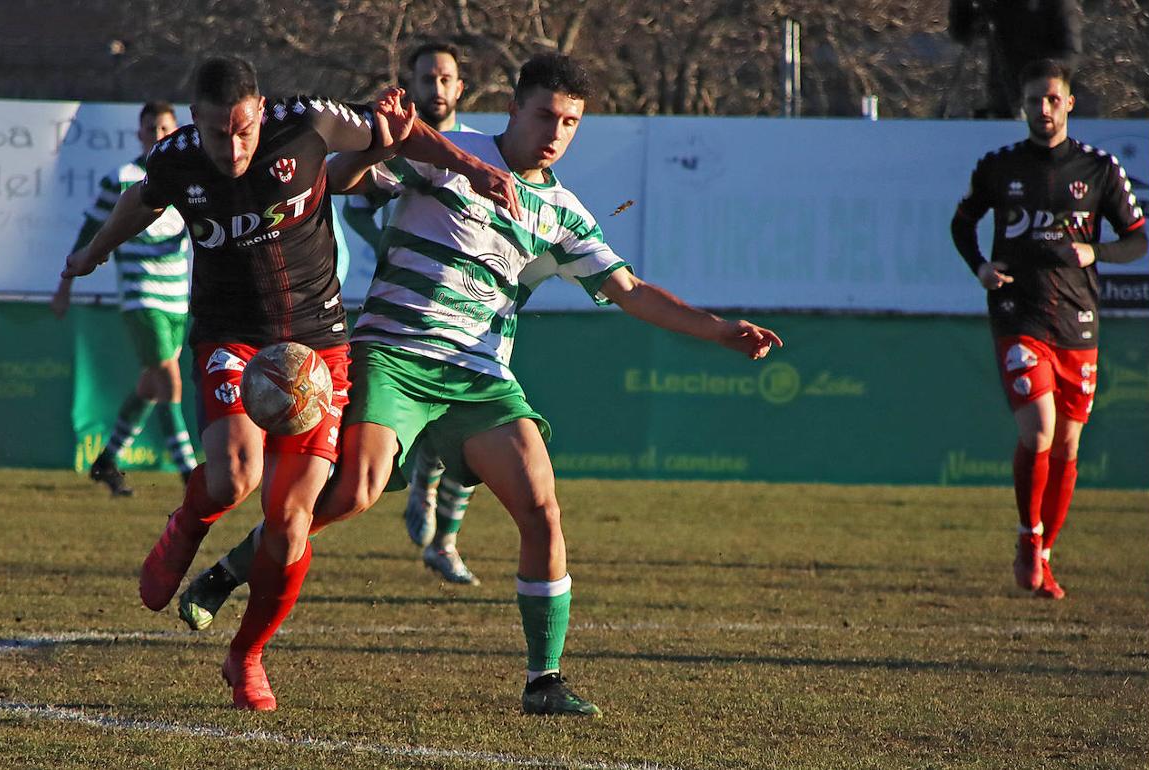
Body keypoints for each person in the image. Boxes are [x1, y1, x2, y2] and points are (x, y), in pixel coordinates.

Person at [180, 53, 783, 717]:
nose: (556, 131)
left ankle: (543, 681)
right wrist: (378, 142)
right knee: (353, 492)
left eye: (571, 122)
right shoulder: (449, 152)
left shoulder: (564, 215)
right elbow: (347, 180)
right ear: (514, 108)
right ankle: (234, 568)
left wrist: (720, 329)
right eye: (546, 115)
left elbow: (632, 293)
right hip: (393, 354)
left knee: (540, 505)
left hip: (478, 375)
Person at [60, 55, 517, 712]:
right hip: (231, 332)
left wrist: (475, 168)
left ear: (261, 110)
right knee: (233, 477)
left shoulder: (305, 122)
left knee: (291, 520)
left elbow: (400, 133)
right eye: (220, 133)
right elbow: (142, 199)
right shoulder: (179, 157)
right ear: (197, 123)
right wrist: (95, 250)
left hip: (317, 341)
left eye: (244, 128)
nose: (235, 145)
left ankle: (246, 655)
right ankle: (188, 523)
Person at [950, 58, 1147, 599]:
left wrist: (1095, 249)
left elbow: (1137, 239)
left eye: (1052, 100)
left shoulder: (1099, 169)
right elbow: (963, 223)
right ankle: (1027, 534)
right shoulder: (998, 167)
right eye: (1034, 99)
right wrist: (981, 268)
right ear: (1023, 104)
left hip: (1077, 320)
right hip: (1019, 313)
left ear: (1069, 104)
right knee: (1037, 429)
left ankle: (1045, 552)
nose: (1043, 109)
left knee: (1067, 444)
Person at [342, 41, 485, 584]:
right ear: (414, 83)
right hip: (404, 311)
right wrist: (386, 242)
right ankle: (424, 494)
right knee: (417, 434)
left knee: (470, 443)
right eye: (428, 78)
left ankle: (444, 543)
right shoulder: (398, 146)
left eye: (446, 78)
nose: (437, 88)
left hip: (470, 316)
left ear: (460, 87)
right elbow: (356, 203)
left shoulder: (479, 148)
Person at [52, 101, 197, 495]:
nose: (158, 136)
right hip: (141, 296)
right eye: (151, 129)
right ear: (139, 134)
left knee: (151, 383)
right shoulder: (123, 178)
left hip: (176, 300)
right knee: (169, 377)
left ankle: (107, 460)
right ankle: (189, 472)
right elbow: (90, 231)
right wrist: (66, 283)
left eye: (165, 129)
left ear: (176, 131)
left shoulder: (187, 178)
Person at [948, 0, 1082, 119]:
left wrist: (1042, 85)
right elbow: (961, 32)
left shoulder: (1056, 4)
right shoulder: (995, 5)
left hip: (1045, 103)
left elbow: (1070, 52)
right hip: (1001, 100)